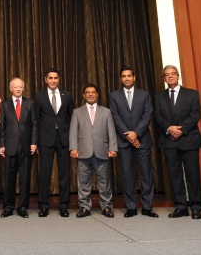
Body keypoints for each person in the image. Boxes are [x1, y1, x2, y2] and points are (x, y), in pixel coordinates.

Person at [155, 65, 201, 220]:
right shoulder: (159, 96)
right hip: (169, 141)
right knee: (175, 175)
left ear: (178, 76)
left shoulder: (192, 94)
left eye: (173, 74)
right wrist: (169, 128)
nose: (170, 76)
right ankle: (181, 206)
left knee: (193, 175)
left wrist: (180, 130)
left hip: (189, 139)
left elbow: (196, 114)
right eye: (167, 75)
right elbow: (157, 115)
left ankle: (196, 207)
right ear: (164, 78)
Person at [109, 65, 158, 218]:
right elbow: (115, 117)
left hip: (142, 139)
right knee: (127, 174)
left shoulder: (144, 95)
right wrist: (129, 136)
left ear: (134, 77)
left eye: (129, 75)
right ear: (120, 79)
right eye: (124, 76)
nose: (127, 78)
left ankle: (147, 207)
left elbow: (148, 114)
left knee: (146, 174)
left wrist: (136, 133)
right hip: (124, 141)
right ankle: (130, 207)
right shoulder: (114, 96)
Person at [70, 83, 118, 218]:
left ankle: (106, 206)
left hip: (102, 152)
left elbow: (111, 131)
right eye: (87, 92)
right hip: (83, 152)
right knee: (83, 182)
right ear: (84, 95)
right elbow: (73, 132)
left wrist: (113, 148)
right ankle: (84, 207)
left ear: (97, 94)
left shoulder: (106, 111)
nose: (90, 94)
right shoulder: (77, 112)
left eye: (93, 92)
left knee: (104, 182)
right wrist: (73, 148)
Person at [34, 67, 73, 218]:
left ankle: (64, 206)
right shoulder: (39, 96)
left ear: (59, 79)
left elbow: (72, 118)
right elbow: (35, 120)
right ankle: (44, 206)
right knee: (45, 173)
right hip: (45, 140)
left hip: (64, 139)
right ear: (45, 80)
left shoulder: (67, 95)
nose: (53, 81)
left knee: (64, 174)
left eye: (55, 78)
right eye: (50, 78)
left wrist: (73, 141)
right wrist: (35, 142)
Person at [0, 77, 37, 218]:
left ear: (23, 88)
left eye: (20, 86)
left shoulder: (30, 103)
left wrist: (34, 142)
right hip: (10, 146)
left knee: (25, 178)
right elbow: (2, 126)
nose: (18, 89)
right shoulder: (4, 105)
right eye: (16, 87)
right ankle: (8, 207)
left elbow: (34, 125)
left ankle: (22, 207)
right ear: (11, 89)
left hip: (27, 146)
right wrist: (2, 145)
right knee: (9, 178)